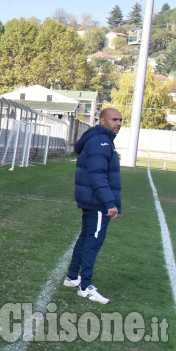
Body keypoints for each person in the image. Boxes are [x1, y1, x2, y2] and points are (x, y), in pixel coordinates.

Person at [63, 108, 122, 305]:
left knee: (86, 237)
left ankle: (73, 277)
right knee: (93, 242)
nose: (119, 123)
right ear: (102, 121)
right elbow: (97, 175)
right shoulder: (101, 141)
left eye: (121, 120)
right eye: (114, 119)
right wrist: (109, 202)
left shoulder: (101, 139)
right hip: (98, 203)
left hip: (93, 200)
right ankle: (85, 286)